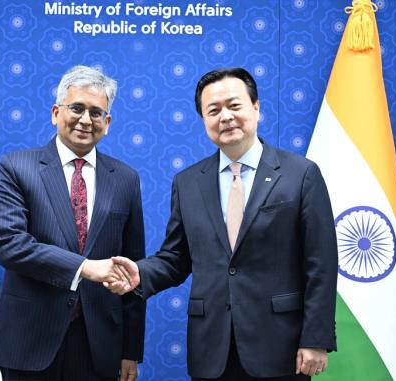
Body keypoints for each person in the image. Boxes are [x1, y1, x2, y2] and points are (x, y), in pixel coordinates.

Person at [106, 67, 338, 381]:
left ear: (256, 108)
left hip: (280, 346)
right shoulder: (187, 182)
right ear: (204, 120)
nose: (225, 116)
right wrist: (140, 274)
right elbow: (176, 258)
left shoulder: (301, 174)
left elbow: (320, 263)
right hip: (211, 348)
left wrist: (316, 338)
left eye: (234, 105)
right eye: (213, 110)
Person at [0, 65, 145, 381]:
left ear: (107, 123)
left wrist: (131, 349)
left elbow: (133, 268)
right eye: (77, 108)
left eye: (96, 112)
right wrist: (85, 268)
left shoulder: (126, 179)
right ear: (56, 112)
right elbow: (10, 245)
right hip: (30, 339)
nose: (86, 120)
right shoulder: (17, 167)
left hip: (99, 345)